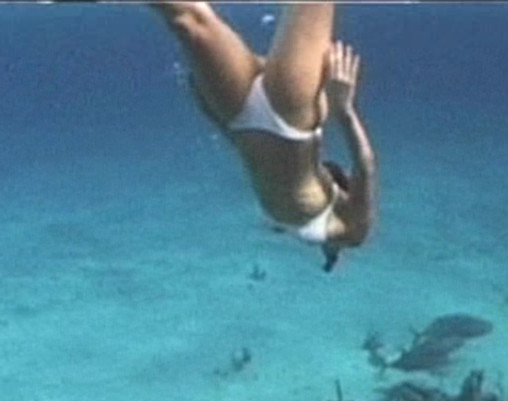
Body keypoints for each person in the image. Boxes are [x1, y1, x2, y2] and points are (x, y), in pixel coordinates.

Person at [152, 3, 377, 272]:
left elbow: (249, 154)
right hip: (292, 120)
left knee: (188, 22)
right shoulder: (353, 231)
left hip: (239, 119)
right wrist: (345, 108)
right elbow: (365, 165)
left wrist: (210, 110)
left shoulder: (324, 234)